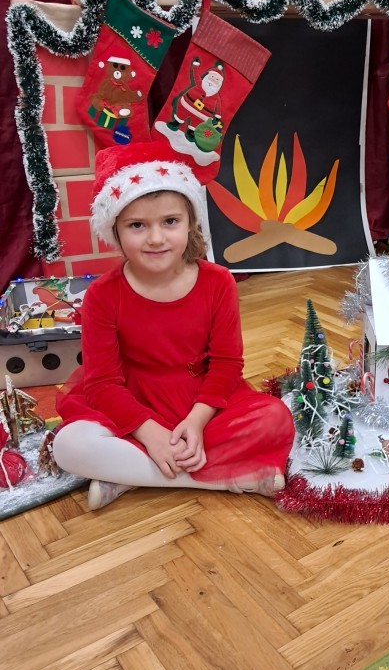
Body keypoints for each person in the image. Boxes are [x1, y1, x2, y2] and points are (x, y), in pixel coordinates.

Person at [53, 141, 295, 510]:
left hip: (201, 401)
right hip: (131, 401)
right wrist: (148, 433)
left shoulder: (218, 282)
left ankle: (131, 475)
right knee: (69, 445)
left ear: (190, 222)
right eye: (137, 225)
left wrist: (196, 422)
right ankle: (228, 480)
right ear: (115, 230)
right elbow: (102, 384)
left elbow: (227, 364)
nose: (156, 238)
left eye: (170, 222)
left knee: (275, 419)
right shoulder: (102, 295)